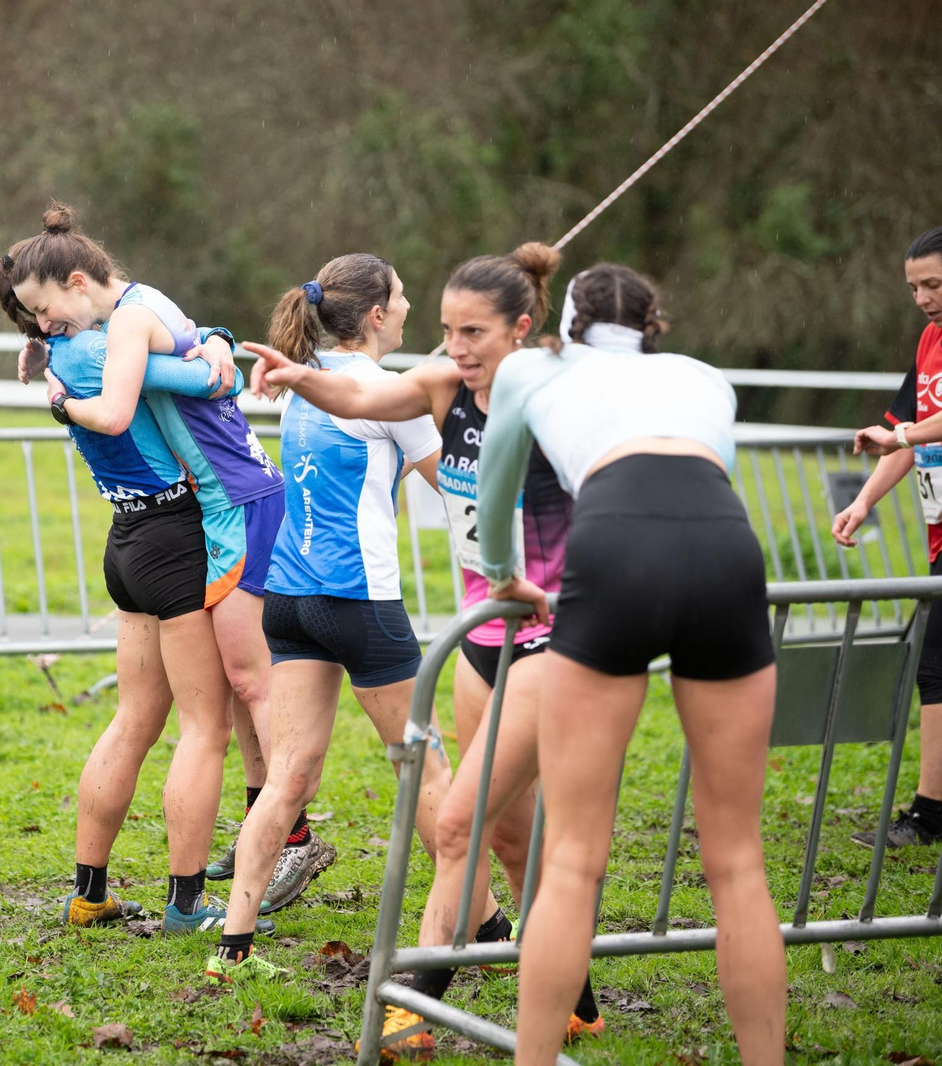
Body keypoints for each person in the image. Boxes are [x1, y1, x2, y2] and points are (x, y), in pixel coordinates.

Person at [253, 245, 601, 1055]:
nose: (457, 346)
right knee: (507, 833)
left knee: (457, 820)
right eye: (447, 328)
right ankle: (578, 991)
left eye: (475, 331)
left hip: (550, 638)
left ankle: (420, 997)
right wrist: (298, 375)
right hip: (479, 639)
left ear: (522, 328)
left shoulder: (551, 399)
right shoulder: (445, 385)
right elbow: (359, 392)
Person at [475, 263, 784, 1064]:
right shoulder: (702, 376)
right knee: (739, 861)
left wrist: (508, 574)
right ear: (654, 324)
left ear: (562, 323)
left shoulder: (531, 370)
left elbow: (496, 492)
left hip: (614, 547)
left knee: (574, 858)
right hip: (723, 542)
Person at [4, 202, 333, 920]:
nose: (45, 327)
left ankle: (93, 895)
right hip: (184, 531)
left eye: (47, 312)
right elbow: (207, 381)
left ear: (80, 280)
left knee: (147, 718)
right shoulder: (97, 339)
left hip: (134, 540)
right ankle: (205, 893)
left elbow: (196, 368)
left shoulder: (90, 339)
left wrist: (210, 340)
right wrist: (211, 349)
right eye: (33, 320)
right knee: (211, 721)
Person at [206, 253, 501, 996]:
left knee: (287, 780)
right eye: (402, 297)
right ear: (376, 315)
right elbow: (454, 482)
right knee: (427, 769)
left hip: (291, 604)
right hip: (359, 603)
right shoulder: (379, 391)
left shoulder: (313, 381)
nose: (407, 308)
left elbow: (356, 469)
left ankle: (232, 946)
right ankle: (488, 925)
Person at [832, 224, 942, 849]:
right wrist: (863, 501)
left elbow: (906, 434)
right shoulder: (930, 339)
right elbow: (906, 428)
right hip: (939, 532)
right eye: (914, 287)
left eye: (934, 284)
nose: (924, 298)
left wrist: (901, 437)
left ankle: (931, 815)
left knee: (936, 666)